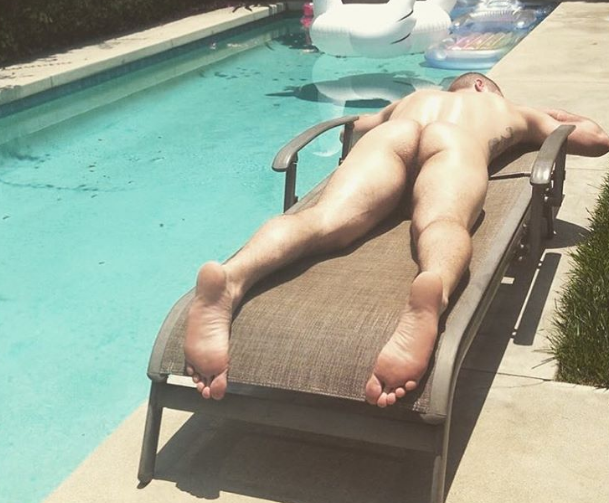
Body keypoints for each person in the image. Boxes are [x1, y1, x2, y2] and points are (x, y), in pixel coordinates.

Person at [184, 72, 609, 408]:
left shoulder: (415, 98)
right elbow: (595, 138)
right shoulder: (512, 110)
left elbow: (352, 130)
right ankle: (433, 289)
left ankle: (232, 277)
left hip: (395, 133)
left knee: (323, 218)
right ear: (483, 86)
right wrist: (547, 114)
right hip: (453, 143)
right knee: (442, 221)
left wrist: (385, 119)